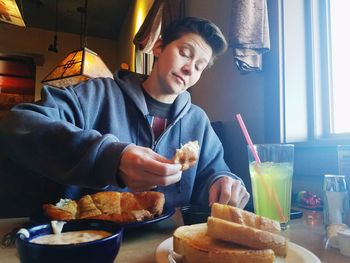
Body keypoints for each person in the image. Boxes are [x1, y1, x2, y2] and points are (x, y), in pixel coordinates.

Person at [0, 17, 249, 217]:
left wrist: (224, 183)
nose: (189, 68)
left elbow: (214, 173)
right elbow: (19, 124)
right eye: (185, 53)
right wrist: (110, 157)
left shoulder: (198, 121)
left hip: (166, 246)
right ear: (159, 47)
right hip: (89, 242)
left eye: (199, 66)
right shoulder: (97, 94)